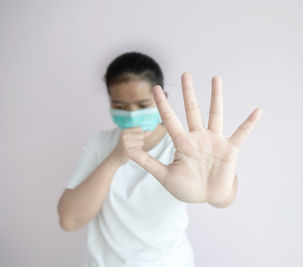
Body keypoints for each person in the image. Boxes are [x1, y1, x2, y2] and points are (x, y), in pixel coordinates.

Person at [57, 51, 263, 267]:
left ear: (161, 98)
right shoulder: (99, 144)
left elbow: (223, 197)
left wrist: (218, 189)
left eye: (142, 105)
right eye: (120, 106)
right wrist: (114, 159)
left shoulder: (184, 146)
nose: (131, 114)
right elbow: (69, 220)